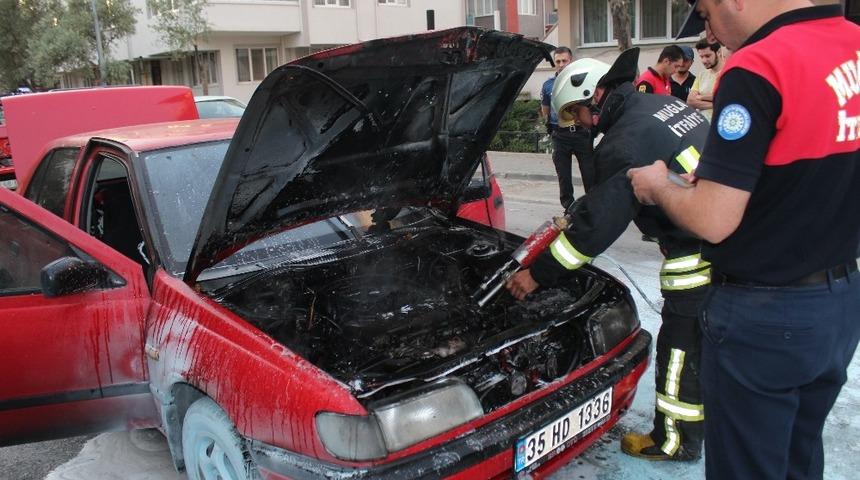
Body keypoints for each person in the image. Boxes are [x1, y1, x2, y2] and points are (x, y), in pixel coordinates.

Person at [628, 1, 860, 479]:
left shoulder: (759, 64)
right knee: (799, 457)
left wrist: (658, 186)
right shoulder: (852, 45)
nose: (712, 35)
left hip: (766, 316)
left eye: (707, 16)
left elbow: (712, 221)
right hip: (839, 304)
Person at [508, 47, 711, 462]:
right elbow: (608, 200)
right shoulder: (661, 103)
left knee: (679, 350)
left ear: (593, 98)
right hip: (732, 240)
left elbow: (595, 230)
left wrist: (537, 275)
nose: (578, 124)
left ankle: (674, 441)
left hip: (698, 256)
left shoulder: (621, 144)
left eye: (575, 114)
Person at [541, 47, 595, 208]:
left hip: (581, 134)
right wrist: (548, 123)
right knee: (564, 177)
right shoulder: (548, 85)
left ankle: (592, 208)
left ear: (571, 61)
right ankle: (569, 209)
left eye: (564, 60)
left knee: (589, 174)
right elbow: (545, 107)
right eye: (558, 61)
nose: (561, 64)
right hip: (560, 135)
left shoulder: (581, 80)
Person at [686, 39, 723, 121]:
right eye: (701, 57)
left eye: (708, 56)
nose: (704, 61)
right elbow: (690, 101)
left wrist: (700, 97)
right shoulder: (701, 75)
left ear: (719, 52)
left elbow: (727, 98)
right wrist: (716, 103)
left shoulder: (729, 72)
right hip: (702, 126)